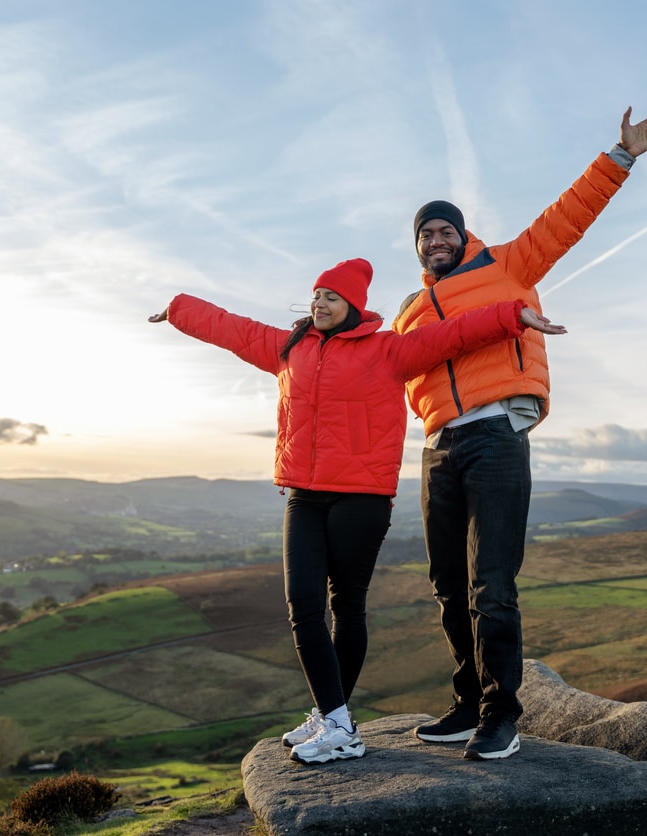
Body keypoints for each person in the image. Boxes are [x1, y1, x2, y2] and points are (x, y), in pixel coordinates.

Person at [149, 257, 566, 765]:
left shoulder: (387, 349)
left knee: (346, 606)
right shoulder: (289, 347)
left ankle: (337, 723)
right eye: (316, 296)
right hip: (302, 493)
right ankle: (335, 717)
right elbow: (232, 329)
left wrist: (511, 314)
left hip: (361, 497)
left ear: (353, 305)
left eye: (330, 296)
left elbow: (452, 336)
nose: (319, 303)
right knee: (303, 605)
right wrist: (178, 309)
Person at [393, 105, 647, 760]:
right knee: (445, 585)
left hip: (495, 434)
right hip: (439, 448)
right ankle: (467, 703)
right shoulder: (409, 310)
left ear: (460, 235)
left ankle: (501, 714)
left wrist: (620, 156)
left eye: (443, 230)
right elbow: (389, 371)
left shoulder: (508, 266)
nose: (434, 240)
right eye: (424, 235)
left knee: (491, 583)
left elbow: (566, 217)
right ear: (416, 247)